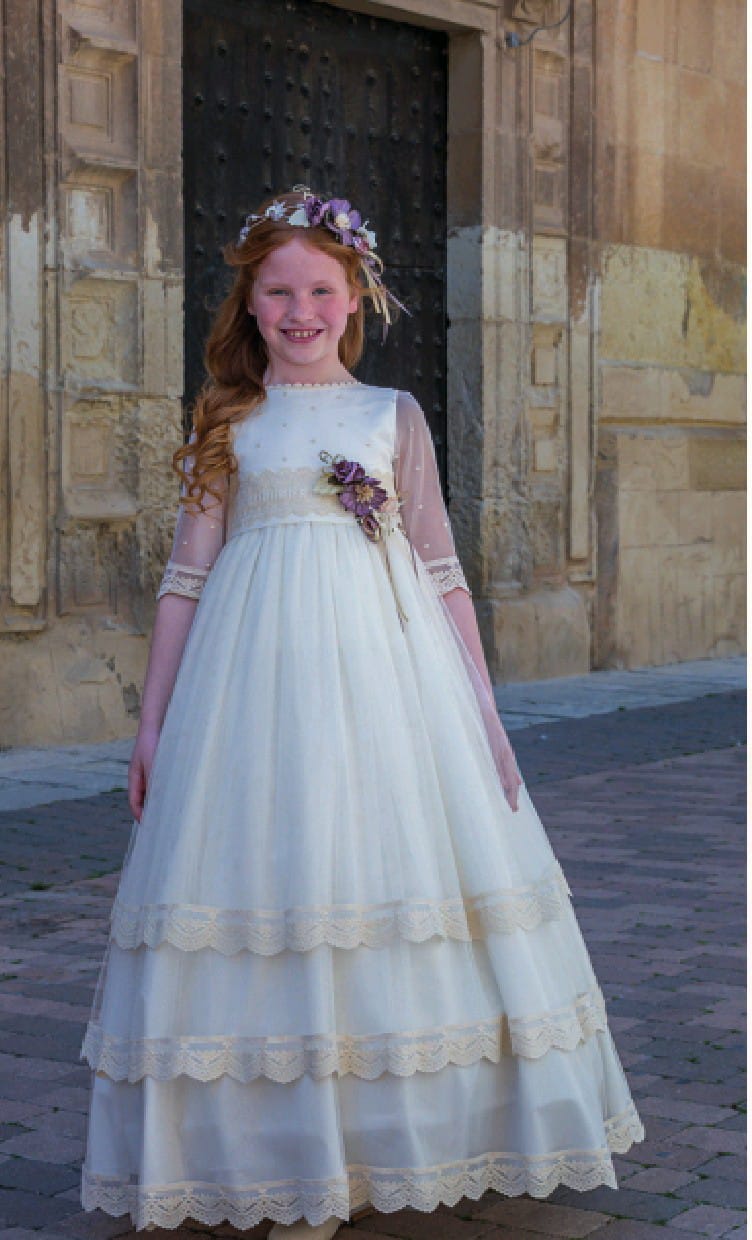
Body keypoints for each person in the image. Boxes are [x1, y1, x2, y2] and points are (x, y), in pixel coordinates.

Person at [79, 186, 645, 1238]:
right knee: (266, 878)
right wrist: (151, 723)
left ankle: (395, 1136)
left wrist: (483, 715)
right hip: (249, 693)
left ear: (355, 299)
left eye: (319, 292)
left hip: (387, 686)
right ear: (248, 305)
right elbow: (185, 580)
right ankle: (272, 1150)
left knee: (387, 873)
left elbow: (440, 570)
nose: (299, 312)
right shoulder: (226, 419)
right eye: (276, 293)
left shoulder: (393, 416)